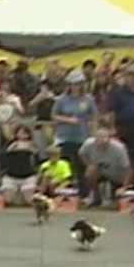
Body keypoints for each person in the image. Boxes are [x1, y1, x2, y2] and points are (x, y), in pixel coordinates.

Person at [51, 69, 96, 197]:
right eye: (73, 83)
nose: (75, 86)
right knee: (64, 166)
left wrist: (92, 131)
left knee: (81, 166)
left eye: (78, 83)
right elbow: (54, 115)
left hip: (82, 136)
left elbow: (94, 116)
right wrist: (68, 119)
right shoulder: (61, 99)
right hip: (64, 136)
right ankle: (62, 193)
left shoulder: (88, 99)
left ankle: (83, 195)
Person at [107, 64, 134, 191]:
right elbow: (112, 112)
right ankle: (124, 187)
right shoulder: (117, 92)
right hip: (123, 127)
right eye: (130, 74)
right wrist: (112, 128)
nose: (133, 77)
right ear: (125, 76)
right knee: (126, 160)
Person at [78, 124, 131, 207]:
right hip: (100, 172)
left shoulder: (119, 148)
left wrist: (124, 187)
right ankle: (95, 196)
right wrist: (88, 164)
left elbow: (127, 168)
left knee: (116, 197)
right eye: (98, 143)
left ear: (109, 140)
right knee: (90, 172)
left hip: (117, 175)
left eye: (104, 144)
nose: (101, 146)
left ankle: (111, 197)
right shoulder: (88, 144)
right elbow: (81, 154)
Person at [0, 125, 39, 205]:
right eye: (20, 132)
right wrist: (10, 149)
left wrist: (31, 150)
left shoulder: (33, 145)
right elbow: (3, 158)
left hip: (27, 176)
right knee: (7, 200)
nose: (22, 135)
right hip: (11, 176)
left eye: (25, 133)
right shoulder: (10, 144)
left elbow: (37, 160)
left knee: (29, 200)